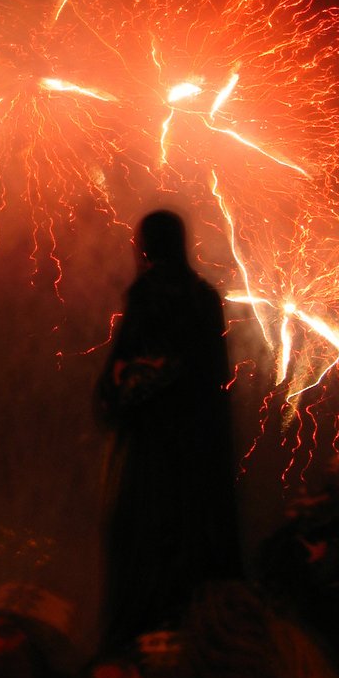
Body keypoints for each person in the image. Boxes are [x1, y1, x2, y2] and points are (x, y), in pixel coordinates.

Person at [94, 209, 241, 655]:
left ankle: (141, 638)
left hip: (154, 447)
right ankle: (202, 634)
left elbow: (121, 372)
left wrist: (116, 392)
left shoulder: (148, 294)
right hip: (201, 451)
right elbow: (214, 375)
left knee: (144, 540)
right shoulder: (206, 296)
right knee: (197, 539)